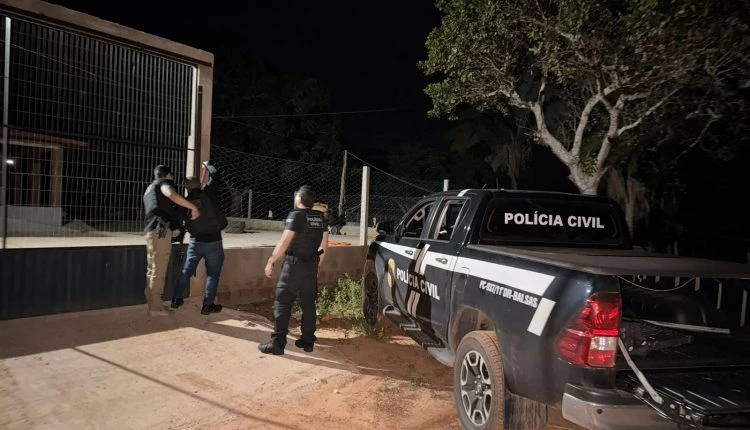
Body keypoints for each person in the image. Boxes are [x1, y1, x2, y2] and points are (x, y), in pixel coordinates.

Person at [259, 185, 329, 355]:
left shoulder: (296, 215)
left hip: (293, 266)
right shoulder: (320, 218)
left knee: (282, 302)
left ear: (299, 198)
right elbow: (324, 246)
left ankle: (277, 343)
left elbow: (284, 242)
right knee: (308, 303)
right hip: (311, 265)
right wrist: (317, 266)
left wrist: (271, 261)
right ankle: (308, 341)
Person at [172, 161, 228, 315]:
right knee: (213, 275)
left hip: (195, 242)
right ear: (199, 184)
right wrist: (207, 166)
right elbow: (216, 176)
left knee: (186, 271)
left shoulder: (183, 203)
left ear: (186, 188)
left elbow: (180, 221)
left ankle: (176, 299)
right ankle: (207, 306)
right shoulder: (208, 194)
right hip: (214, 242)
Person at [143, 165, 200, 316]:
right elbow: (171, 194)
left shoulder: (149, 189)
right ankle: (156, 307)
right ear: (168, 175)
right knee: (159, 268)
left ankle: (152, 302)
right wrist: (193, 207)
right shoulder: (162, 184)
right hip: (160, 231)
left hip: (151, 231)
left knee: (152, 268)